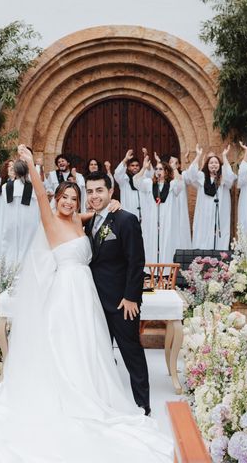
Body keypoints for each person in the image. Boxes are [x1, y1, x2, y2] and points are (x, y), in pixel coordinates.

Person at [0, 145, 172, 463]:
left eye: (75, 198)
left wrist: (115, 205)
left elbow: (104, 219)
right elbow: (38, 187)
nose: (69, 202)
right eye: (65, 197)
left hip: (88, 296)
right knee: (65, 347)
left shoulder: (82, 221)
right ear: (56, 198)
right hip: (66, 295)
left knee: (90, 348)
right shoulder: (51, 221)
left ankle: (107, 396)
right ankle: (70, 398)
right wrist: (31, 164)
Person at [84, 170, 151, 414]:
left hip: (123, 303)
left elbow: (136, 261)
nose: (94, 196)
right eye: (89, 191)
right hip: (94, 302)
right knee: (100, 355)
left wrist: (131, 296)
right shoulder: (89, 221)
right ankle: (105, 401)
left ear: (111, 191)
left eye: (99, 190)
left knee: (131, 353)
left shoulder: (125, 219)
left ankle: (143, 405)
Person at [188, 145, 236, 250]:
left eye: (216, 162)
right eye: (211, 163)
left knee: (219, 234)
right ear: (207, 165)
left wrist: (224, 156)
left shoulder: (224, 178)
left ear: (220, 165)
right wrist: (198, 155)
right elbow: (191, 174)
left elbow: (231, 178)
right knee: (203, 232)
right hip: (204, 215)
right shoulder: (201, 177)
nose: (213, 164)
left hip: (219, 214)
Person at [138, 156, 183, 265]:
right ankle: (152, 270)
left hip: (167, 219)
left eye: (161, 169)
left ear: (166, 171)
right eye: (156, 169)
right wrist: (144, 168)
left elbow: (180, 184)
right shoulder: (150, 183)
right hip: (153, 219)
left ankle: (166, 269)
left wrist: (174, 169)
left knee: (167, 242)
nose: (158, 171)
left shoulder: (171, 184)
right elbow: (137, 181)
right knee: (152, 242)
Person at [0, 159, 40, 271]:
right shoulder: (34, 187)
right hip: (29, 222)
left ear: (15, 172)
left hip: (11, 221)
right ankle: (25, 271)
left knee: (10, 246)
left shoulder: (6, 187)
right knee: (27, 247)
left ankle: (9, 271)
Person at [114, 149, 144, 221]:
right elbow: (117, 173)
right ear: (128, 167)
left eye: (137, 165)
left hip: (142, 214)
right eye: (132, 165)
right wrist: (126, 159)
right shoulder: (123, 180)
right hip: (128, 214)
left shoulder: (142, 179)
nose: (135, 167)